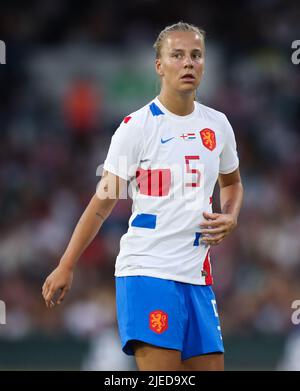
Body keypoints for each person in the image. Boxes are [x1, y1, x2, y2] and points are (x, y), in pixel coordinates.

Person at [42, 21, 243, 371]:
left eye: (196, 55)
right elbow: (101, 206)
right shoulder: (136, 128)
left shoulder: (218, 125)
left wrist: (231, 214)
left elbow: (233, 183)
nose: (188, 63)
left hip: (197, 277)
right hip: (148, 272)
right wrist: (66, 264)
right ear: (159, 65)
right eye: (177, 55)